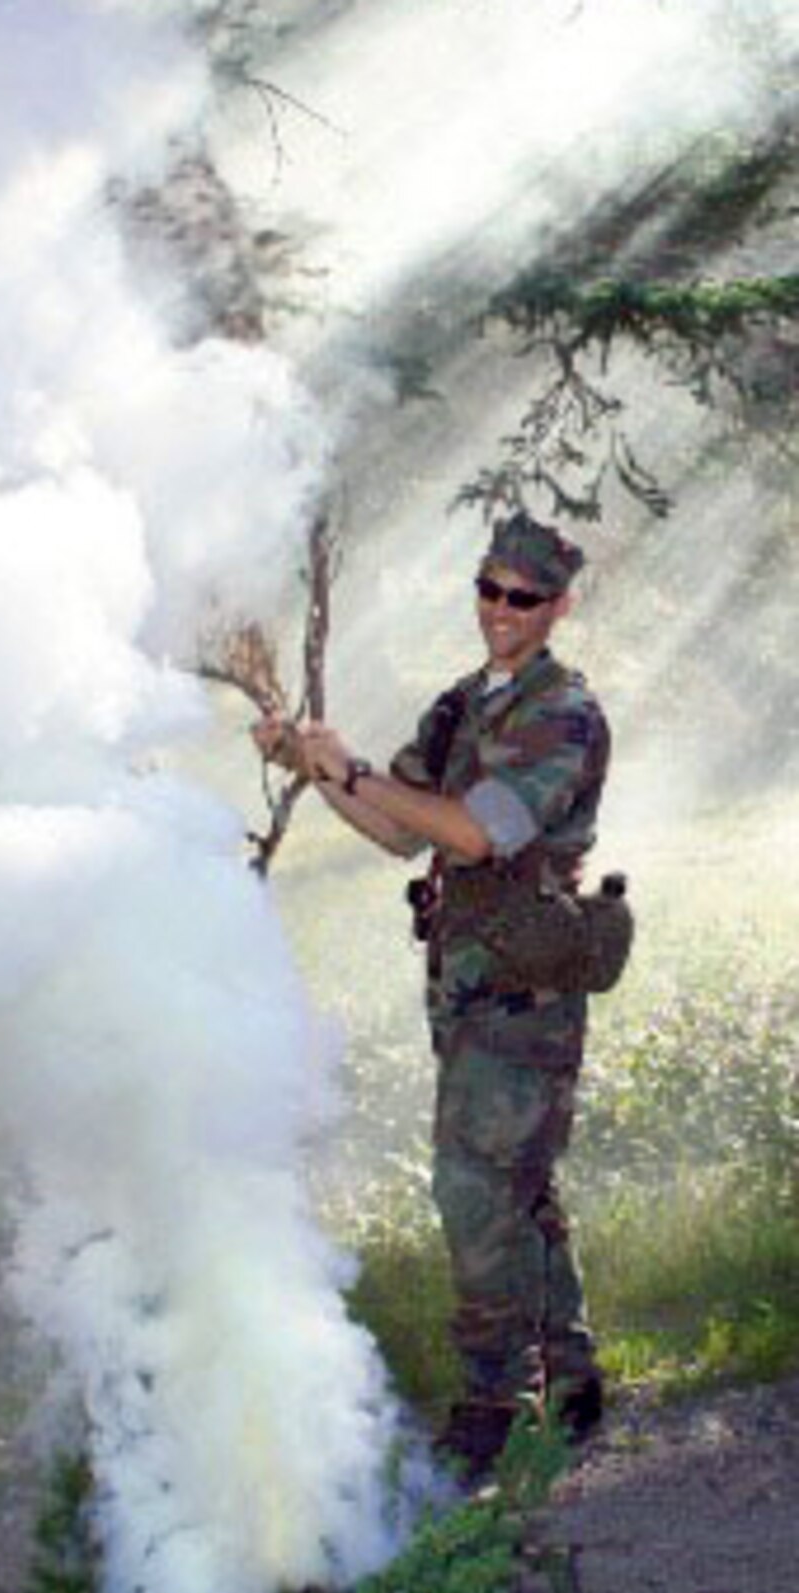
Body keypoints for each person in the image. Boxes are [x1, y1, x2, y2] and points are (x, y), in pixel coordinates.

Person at [253, 512, 610, 1480]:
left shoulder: (559, 711)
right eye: (488, 588)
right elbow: (394, 830)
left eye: (522, 597)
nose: (500, 609)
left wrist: (354, 765)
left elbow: (478, 833)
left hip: (522, 986)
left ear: (557, 606)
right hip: (465, 980)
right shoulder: (464, 705)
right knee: (515, 1178)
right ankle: (571, 1378)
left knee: (472, 1182)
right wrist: (315, 765)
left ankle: (498, 1400)